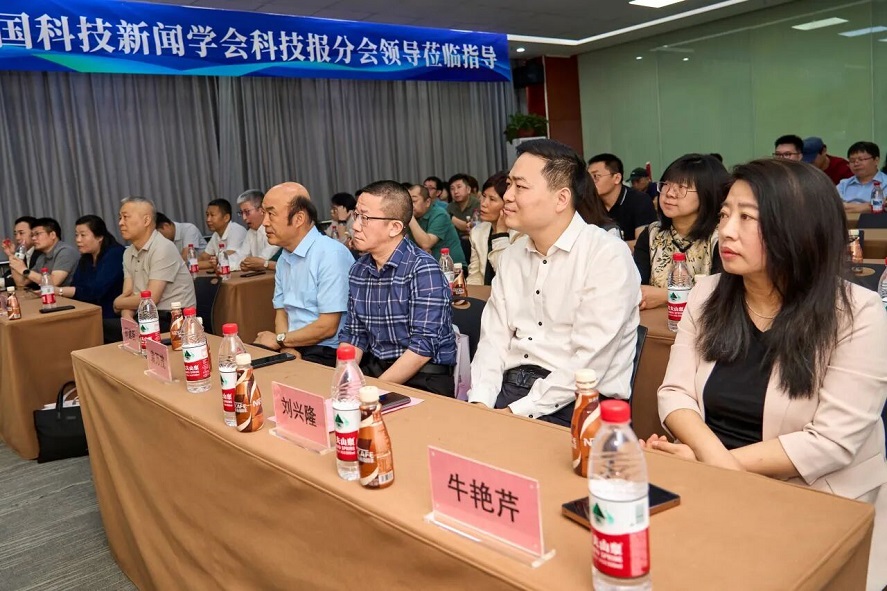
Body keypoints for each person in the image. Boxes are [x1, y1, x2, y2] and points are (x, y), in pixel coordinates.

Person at [650, 158, 886, 591]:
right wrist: (712, 461)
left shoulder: (858, 313)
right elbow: (674, 393)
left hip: (817, 500)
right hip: (715, 490)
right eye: (724, 215)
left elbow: (830, 442)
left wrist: (706, 464)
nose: (726, 231)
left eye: (747, 218)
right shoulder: (706, 294)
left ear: (798, 228)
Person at [468, 139, 640, 425]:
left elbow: (589, 362)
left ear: (561, 199)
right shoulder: (512, 256)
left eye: (520, 187)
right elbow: (493, 341)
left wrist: (513, 415)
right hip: (510, 390)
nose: (507, 196)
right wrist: (480, 402)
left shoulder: (606, 254)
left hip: (581, 402)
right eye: (509, 185)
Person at [338, 180, 457, 397]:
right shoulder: (359, 269)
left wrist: (371, 392)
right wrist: (346, 381)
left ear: (394, 227)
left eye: (365, 218)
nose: (355, 226)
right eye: (356, 215)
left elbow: (422, 348)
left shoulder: (423, 269)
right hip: (376, 368)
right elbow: (354, 335)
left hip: (423, 375)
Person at [253, 183, 354, 367]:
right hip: (293, 343)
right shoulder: (284, 258)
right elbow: (282, 313)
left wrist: (280, 340)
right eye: (264, 213)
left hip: (327, 350)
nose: (265, 222)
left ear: (299, 218)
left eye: (271, 214)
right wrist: (287, 347)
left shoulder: (330, 254)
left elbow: (327, 327)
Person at [634, 154, 727, 310]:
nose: (669, 193)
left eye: (682, 187)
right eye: (666, 184)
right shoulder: (651, 234)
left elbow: (723, 294)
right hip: (655, 321)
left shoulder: (721, 237)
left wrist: (666, 296)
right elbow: (636, 287)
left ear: (707, 194)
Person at [112, 196, 196, 340]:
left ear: (146, 220)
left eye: (125, 217)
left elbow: (151, 298)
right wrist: (127, 318)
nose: (120, 223)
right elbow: (128, 294)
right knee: (106, 329)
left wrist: (116, 303)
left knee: (102, 330)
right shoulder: (128, 252)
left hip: (174, 320)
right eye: (120, 218)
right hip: (145, 316)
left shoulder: (163, 247)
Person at [54, 215, 125, 321]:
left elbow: (95, 291)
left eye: (83, 235)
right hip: (87, 312)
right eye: (76, 235)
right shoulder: (86, 258)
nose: (78, 240)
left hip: (110, 315)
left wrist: (59, 291)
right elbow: (76, 285)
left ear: (99, 237)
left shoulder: (115, 254)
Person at [587, 153, 657, 247]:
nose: (590, 182)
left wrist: (605, 247)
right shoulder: (588, 204)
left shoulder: (640, 201)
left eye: (596, 176)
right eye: (588, 177)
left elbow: (643, 244)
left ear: (617, 178)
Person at [467, 171, 519, 285]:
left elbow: (507, 276)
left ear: (507, 203)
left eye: (492, 199)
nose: (483, 204)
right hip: (485, 293)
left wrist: (500, 234)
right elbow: (475, 275)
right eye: (484, 196)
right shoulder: (477, 232)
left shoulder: (521, 233)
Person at [7, 217, 79, 288]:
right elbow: (21, 283)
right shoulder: (42, 257)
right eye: (32, 235)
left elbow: (54, 282)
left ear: (52, 235)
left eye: (37, 234)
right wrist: (11, 256)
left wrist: (24, 270)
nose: (33, 238)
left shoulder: (65, 252)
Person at [407, 185, 466, 265]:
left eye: (413, 201)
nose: (409, 205)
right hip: (426, 266)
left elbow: (426, 244)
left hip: (453, 268)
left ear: (427, 202)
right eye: (407, 201)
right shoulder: (411, 218)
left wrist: (410, 216)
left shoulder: (440, 214)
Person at [228, 189, 279, 272]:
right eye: (241, 213)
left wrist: (247, 264)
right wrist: (222, 262)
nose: (244, 218)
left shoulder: (274, 230)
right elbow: (241, 256)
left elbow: (262, 260)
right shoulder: (251, 232)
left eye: (247, 212)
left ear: (262, 210)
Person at [837, 141, 887, 213]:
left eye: (861, 159)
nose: (856, 163)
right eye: (852, 160)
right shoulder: (843, 184)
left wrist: (847, 206)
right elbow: (832, 206)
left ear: (876, 160)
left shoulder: (885, 183)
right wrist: (868, 206)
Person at [198, 198, 247, 270]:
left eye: (212, 215)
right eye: (207, 215)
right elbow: (204, 257)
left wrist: (192, 265)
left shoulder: (236, 230)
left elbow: (225, 260)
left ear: (226, 218)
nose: (208, 219)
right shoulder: (216, 234)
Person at [2, 216, 38, 284]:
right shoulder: (23, 253)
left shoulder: (41, 253)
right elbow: (8, 274)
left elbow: (27, 281)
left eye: (21, 233)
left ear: (34, 233)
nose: (17, 238)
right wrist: (11, 254)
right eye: (15, 234)